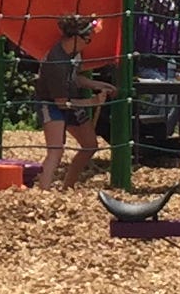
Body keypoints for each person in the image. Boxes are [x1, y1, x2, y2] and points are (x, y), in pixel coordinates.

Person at [33, 15, 118, 187]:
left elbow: (75, 79)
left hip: (69, 100)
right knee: (56, 151)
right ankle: (42, 193)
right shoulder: (56, 62)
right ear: (76, 37)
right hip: (51, 103)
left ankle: (68, 186)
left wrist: (100, 85)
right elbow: (62, 103)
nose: (89, 42)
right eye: (87, 39)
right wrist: (92, 101)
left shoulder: (74, 53)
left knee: (89, 145)